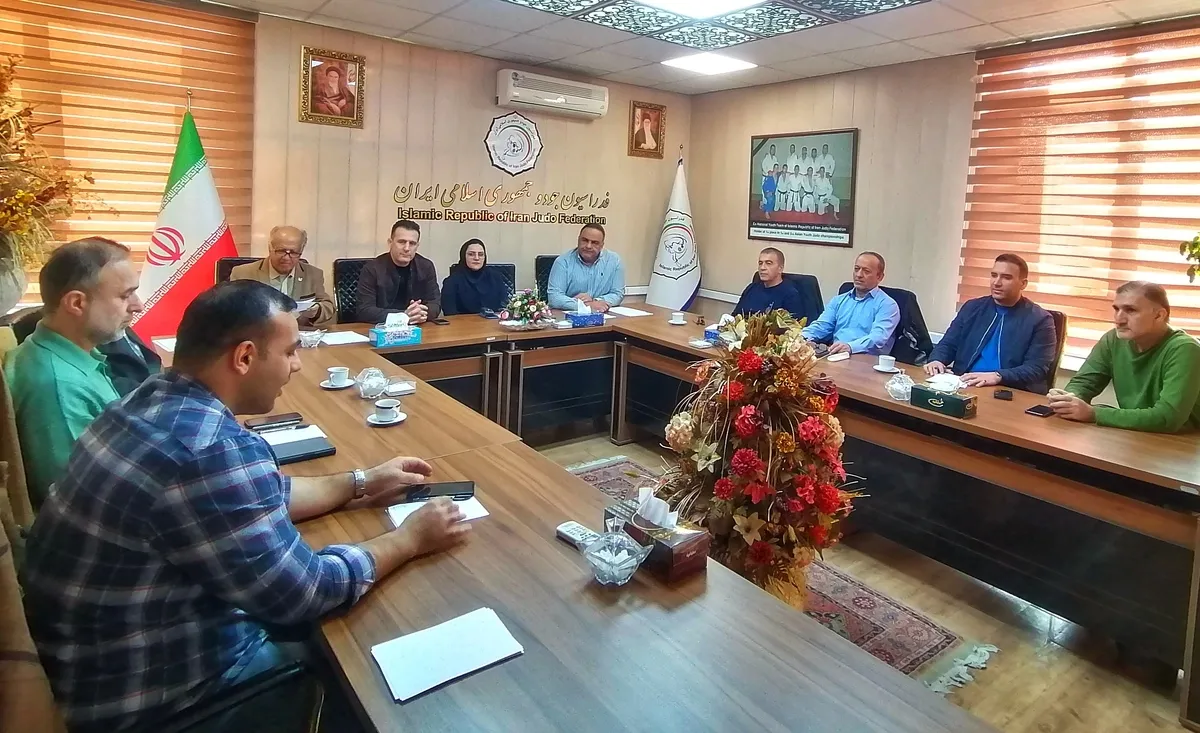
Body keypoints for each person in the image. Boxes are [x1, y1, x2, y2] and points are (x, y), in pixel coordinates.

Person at [20, 281, 471, 732]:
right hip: (156, 704)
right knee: (363, 667)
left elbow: (256, 494)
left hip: (87, 669)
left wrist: (362, 482)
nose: (296, 365)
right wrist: (410, 539)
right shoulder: (209, 450)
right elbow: (306, 592)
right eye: (290, 352)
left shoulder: (147, 401)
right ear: (244, 357)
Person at [5, 237, 140, 509]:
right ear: (77, 303)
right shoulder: (59, 388)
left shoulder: (68, 354)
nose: (138, 305)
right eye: (125, 296)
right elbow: (79, 500)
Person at [1050, 281, 1200, 432]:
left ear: (1159, 315)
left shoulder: (1185, 348)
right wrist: (1068, 399)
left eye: (1131, 310)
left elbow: (1168, 417)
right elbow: (1085, 382)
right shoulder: (1113, 339)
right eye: (1116, 309)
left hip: (1181, 440)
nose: (1119, 319)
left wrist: (1094, 413)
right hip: (1135, 433)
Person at [924, 254, 1057, 393]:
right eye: (994, 275)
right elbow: (948, 343)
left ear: (1023, 284)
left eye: (1006, 277)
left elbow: (1036, 368)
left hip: (1009, 390)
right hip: (965, 384)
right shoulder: (972, 308)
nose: (996, 283)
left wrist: (998, 376)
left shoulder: (1041, 320)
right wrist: (937, 360)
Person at [230, 225, 335, 328]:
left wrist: (317, 310)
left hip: (299, 333)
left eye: (293, 252)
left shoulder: (313, 274)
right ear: (270, 248)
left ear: (301, 251)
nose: (286, 258)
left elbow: (328, 305)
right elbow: (231, 309)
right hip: (258, 334)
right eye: (281, 251)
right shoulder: (243, 273)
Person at [802, 252, 899, 355]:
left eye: (866, 271)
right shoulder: (838, 301)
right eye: (856, 269)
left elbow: (877, 338)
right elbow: (821, 326)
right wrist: (799, 337)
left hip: (867, 360)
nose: (859, 275)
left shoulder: (888, 305)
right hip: (836, 356)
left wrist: (850, 347)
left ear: (879, 277)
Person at [356, 219, 441, 324]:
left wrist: (420, 313)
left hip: (416, 326)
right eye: (402, 242)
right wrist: (403, 316)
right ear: (390, 243)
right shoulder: (372, 269)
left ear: (417, 246)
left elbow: (435, 304)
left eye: (412, 243)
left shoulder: (426, 266)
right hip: (380, 328)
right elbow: (364, 310)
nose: (407, 248)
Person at [547, 223, 625, 313]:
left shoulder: (614, 261)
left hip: (602, 315)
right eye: (585, 240)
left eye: (594, 243)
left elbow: (618, 294)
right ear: (578, 240)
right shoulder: (563, 262)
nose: (588, 246)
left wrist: (595, 301)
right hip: (568, 316)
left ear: (602, 245)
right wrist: (584, 305)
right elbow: (554, 298)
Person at [441, 239, 509, 315]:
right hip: (463, 322)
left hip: (494, 321)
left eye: (480, 254)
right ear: (463, 256)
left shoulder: (496, 277)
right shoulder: (451, 282)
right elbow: (450, 314)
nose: (476, 258)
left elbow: (505, 307)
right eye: (471, 254)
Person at [733, 248, 804, 318]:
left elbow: (793, 324)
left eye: (768, 263)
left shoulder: (790, 295)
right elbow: (735, 316)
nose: (762, 268)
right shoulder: (751, 288)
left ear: (780, 268)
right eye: (760, 263)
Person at [98, 327, 162, 397]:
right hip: (137, 394)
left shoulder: (124, 328)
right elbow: (109, 381)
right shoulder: (98, 341)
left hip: (154, 379)